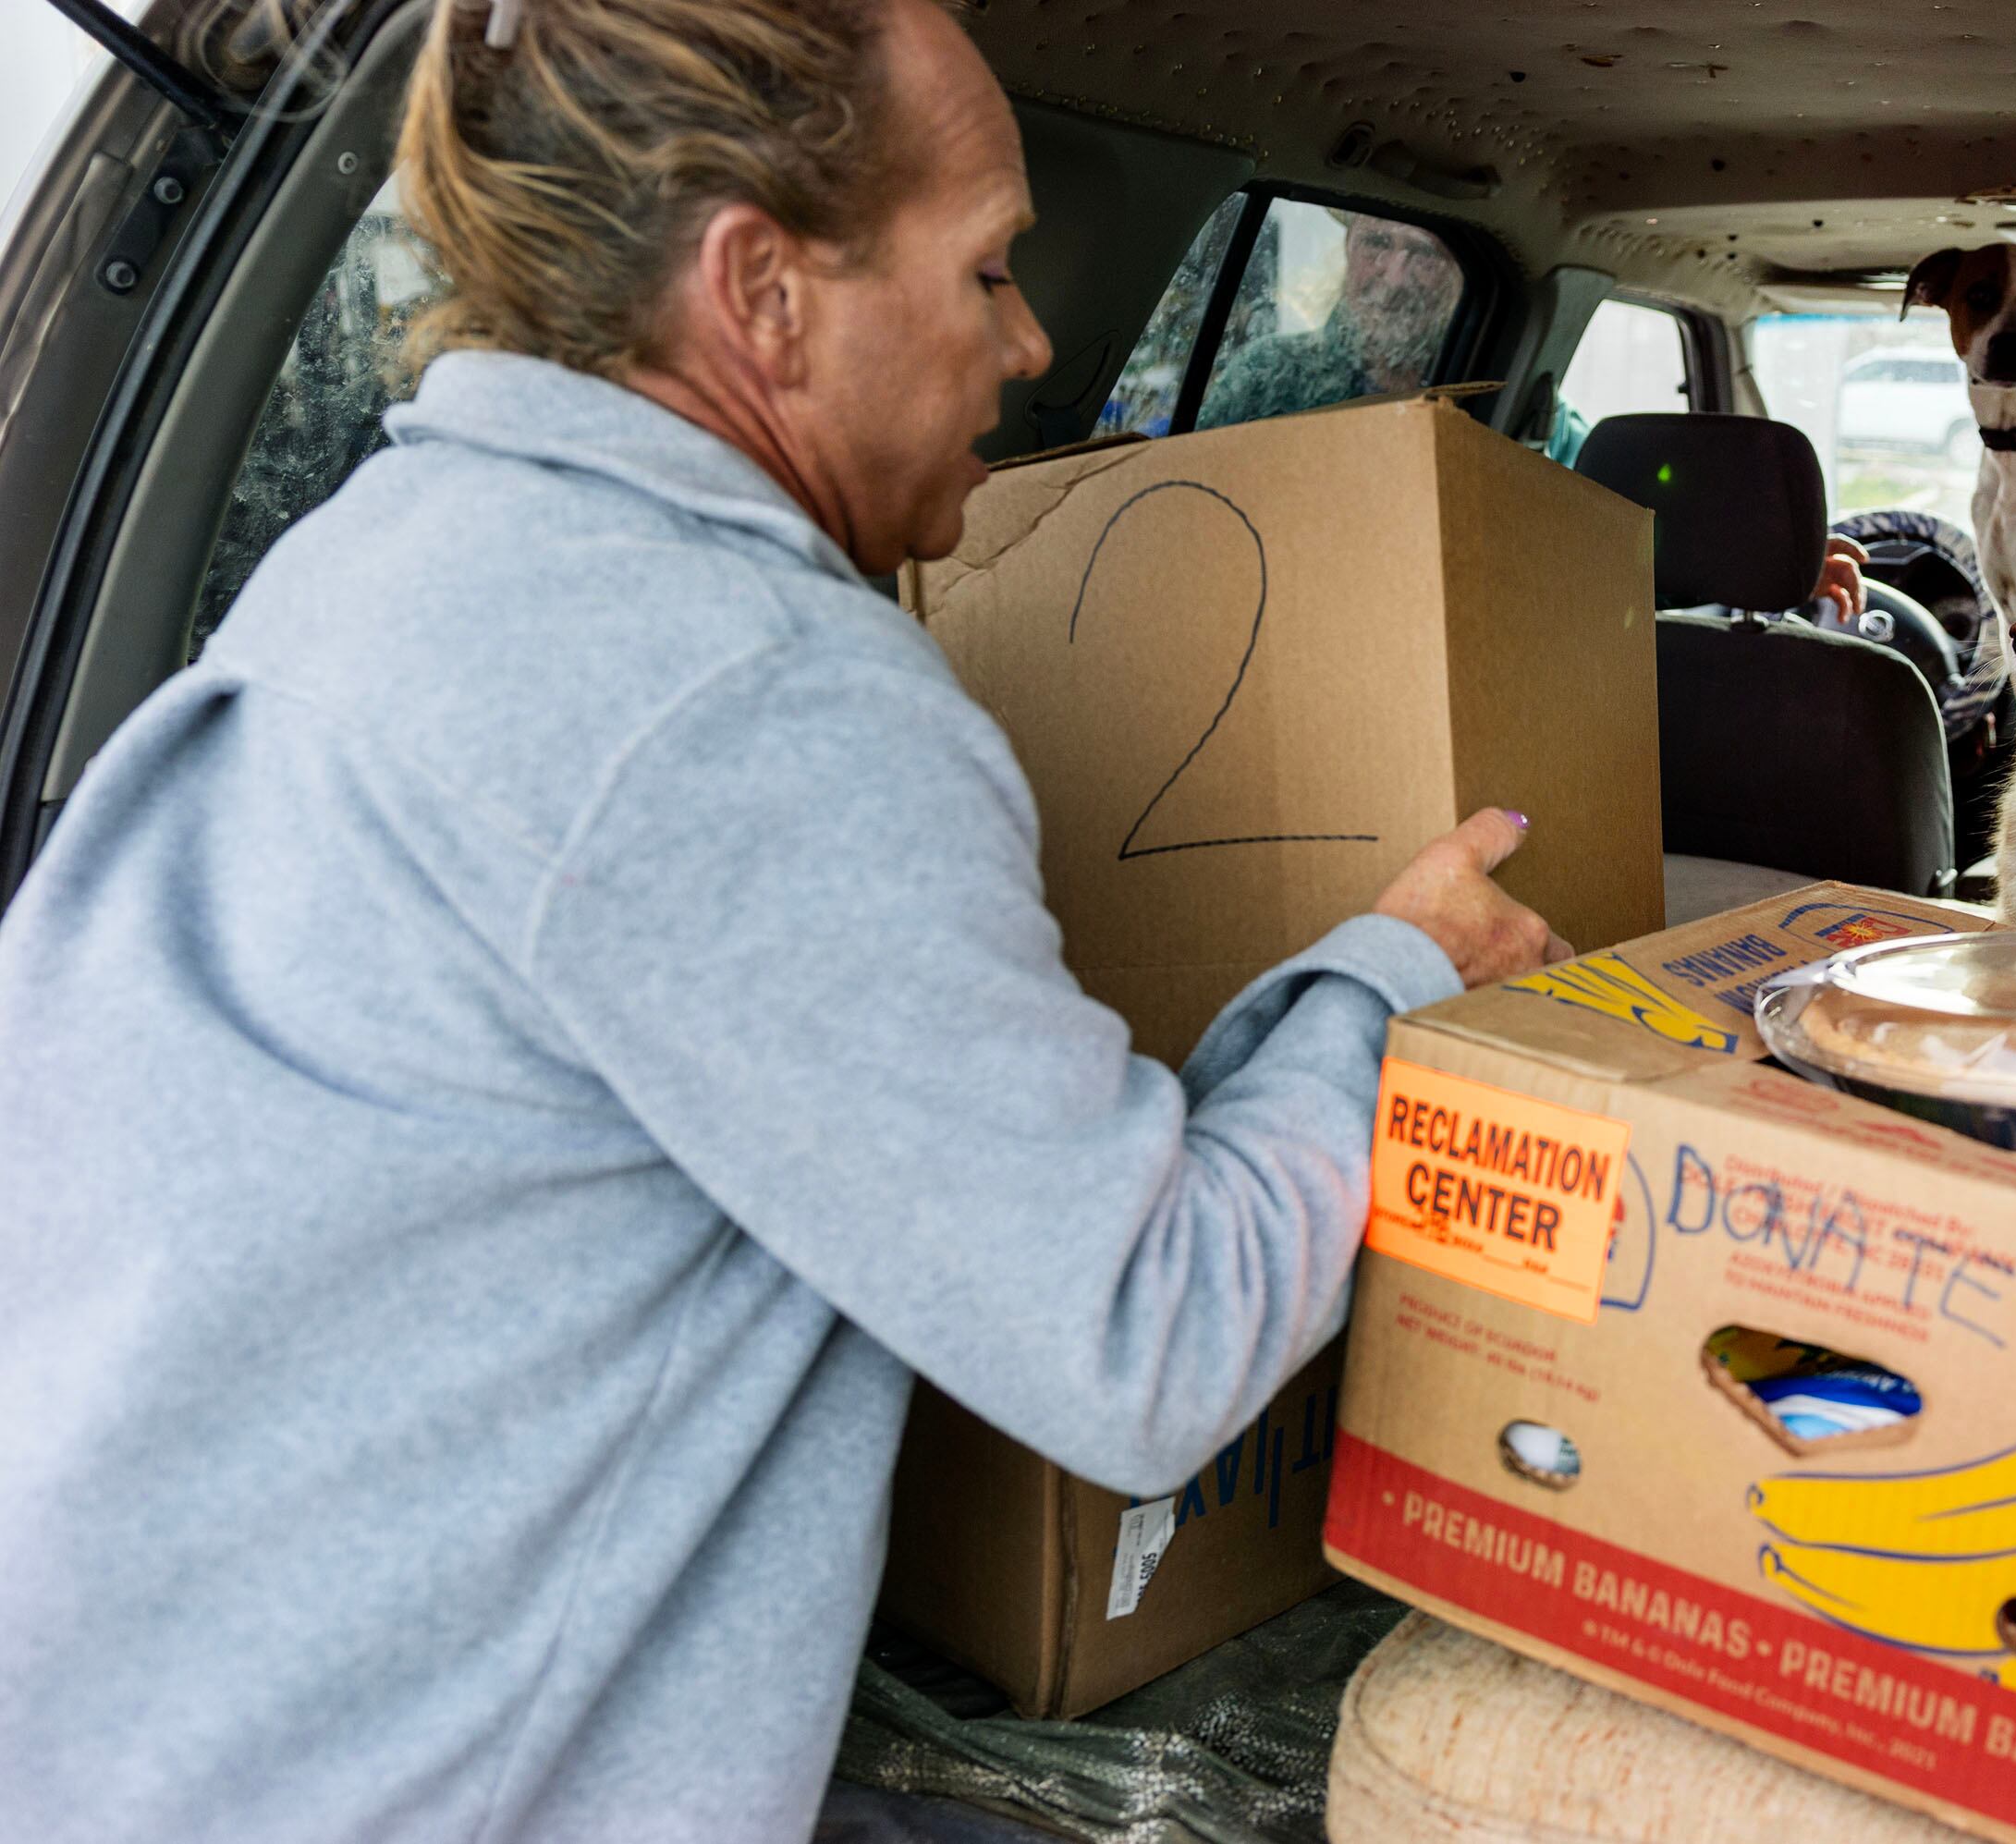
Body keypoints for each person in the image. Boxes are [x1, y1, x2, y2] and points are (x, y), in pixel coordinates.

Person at [0, 0, 1566, 1838]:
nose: (1033, 338)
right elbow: (1152, 1336)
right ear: (765, 295)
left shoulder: (384, 556)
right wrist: (1400, 977)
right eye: (987, 272)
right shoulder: (743, 694)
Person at [1197, 214, 1465, 428]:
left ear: (1456, 272)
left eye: (1424, 253)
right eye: (1377, 243)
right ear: (1349, 246)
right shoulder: (1269, 372)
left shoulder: (1470, 374)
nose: (1395, 279)